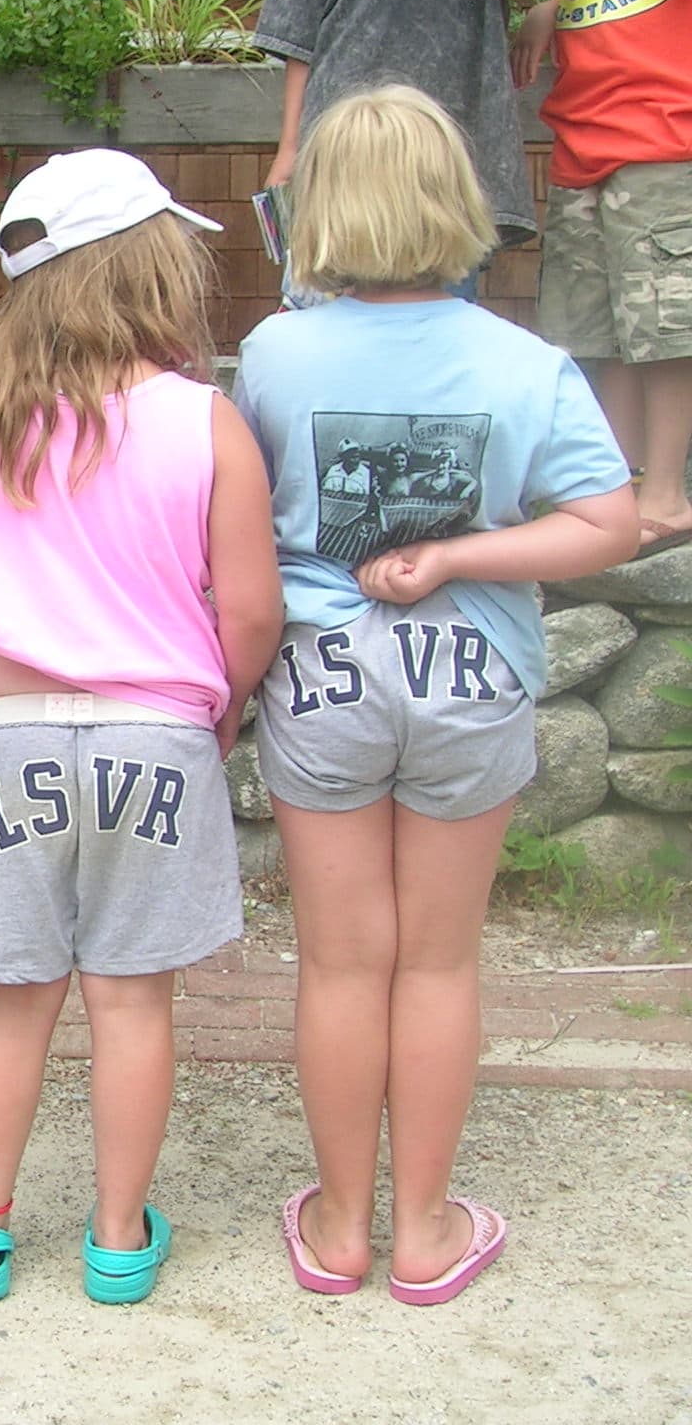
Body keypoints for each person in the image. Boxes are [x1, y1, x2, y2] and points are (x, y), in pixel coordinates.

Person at [236, 86, 638, 1305]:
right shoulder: (525, 361)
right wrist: (461, 556)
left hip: (321, 677)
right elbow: (606, 523)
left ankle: (342, 1226)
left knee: (342, 961)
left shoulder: (271, 353)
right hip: (472, 677)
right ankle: (423, 1230)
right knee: (440, 962)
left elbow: (236, 522)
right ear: (452, 200)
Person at [0, 150, 283, 1307]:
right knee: (129, 997)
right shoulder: (201, 421)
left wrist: (2, 638)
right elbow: (252, 607)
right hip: (154, 735)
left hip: (10, 737)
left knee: (11, 996)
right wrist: (213, 706)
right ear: (151, 271)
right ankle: (118, 1237)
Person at [258, 0, 582, 303]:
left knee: (435, 332)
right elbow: (298, 16)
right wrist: (290, 149)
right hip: (343, 147)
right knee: (321, 319)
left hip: (449, 162)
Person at [511, 0, 692, 551]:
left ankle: (668, 491)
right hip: (584, 137)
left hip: (666, 135)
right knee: (602, 329)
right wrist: (547, 8)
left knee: (666, 325)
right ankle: (621, 481)